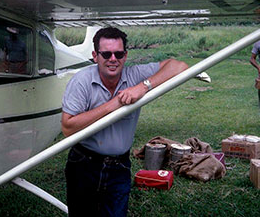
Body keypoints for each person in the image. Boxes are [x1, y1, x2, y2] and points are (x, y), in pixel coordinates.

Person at [61, 27, 188, 216]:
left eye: (119, 54)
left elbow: (180, 66)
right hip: (84, 163)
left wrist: (143, 87)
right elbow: (68, 128)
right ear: (95, 56)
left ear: (126, 55)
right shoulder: (81, 81)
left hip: (119, 166)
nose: (113, 59)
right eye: (106, 54)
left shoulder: (134, 75)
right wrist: (113, 105)